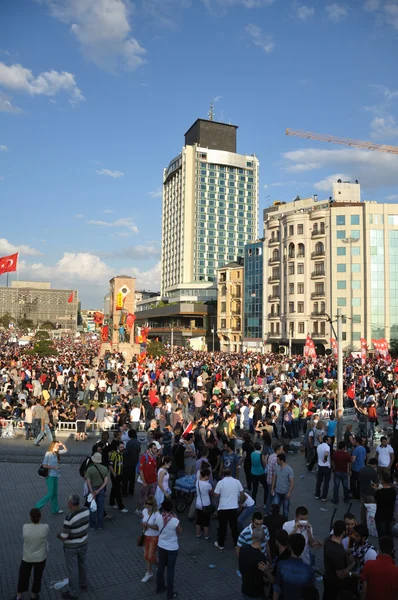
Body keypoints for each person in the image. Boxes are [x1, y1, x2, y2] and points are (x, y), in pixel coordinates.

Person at [57, 493, 90, 600]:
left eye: (68, 501)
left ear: (71, 503)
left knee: (73, 570)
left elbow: (64, 537)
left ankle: (73, 592)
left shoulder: (69, 517)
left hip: (71, 547)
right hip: (84, 543)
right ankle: (83, 584)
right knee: (82, 564)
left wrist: (58, 535)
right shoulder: (86, 511)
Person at [16, 508, 49, 600]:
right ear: (40, 517)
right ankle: (33, 594)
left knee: (23, 575)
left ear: (30, 517)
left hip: (27, 557)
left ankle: (19, 595)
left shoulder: (25, 527)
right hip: (40, 557)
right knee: (37, 576)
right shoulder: (45, 527)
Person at [273, 533, 315, 600]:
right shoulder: (309, 570)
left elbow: (277, 590)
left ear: (290, 547)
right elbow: (311, 593)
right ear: (303, 547)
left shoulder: (281, 565)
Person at [155, 498, 182, 600]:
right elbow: (180, 532)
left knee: (161, 567)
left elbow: (158, 528)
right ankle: (170, 594)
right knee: (170, 570)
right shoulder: (174, 520)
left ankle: (159, 587)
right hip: (172, 548)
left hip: (161, 546)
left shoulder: (158, 517)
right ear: (171, 508)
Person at [214, 468, 245, 550]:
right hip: (233, 508)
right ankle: (236, 543)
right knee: (234, 527)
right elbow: (242, 493)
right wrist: (240, 503)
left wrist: (217, 506)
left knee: (222, 527)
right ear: (231, 473)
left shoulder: (220, 483)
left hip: (223, 508)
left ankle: (221, 544)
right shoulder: (237, 482)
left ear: (223, 474)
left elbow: (216, 495)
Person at [361, 536, 398, 600]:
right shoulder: (396, 571)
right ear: (392, 551)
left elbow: (364, 590)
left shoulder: (369, 564)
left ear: (379, 549)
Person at [35, 441, 67, 515]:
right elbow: (44, 465)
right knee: (50, 493)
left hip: (56, 475)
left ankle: (55, 509)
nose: (58, 447)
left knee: (54, 493)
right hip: (50, 475)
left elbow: (65, 451)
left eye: (58, 446)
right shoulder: (48, 454)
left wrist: (63, 445)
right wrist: (54, 467)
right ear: (52, 446)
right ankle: (37, 506)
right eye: (56, 446)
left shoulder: (56, 453)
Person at [323, 520, 352, 600]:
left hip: (327, 577)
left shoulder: (328, 539)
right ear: (343, 532)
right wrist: (352, 565)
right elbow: (340, 575)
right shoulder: (337, 551)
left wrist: (349, 550)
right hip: (334, 583)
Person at [238, 527, 268, 599]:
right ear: (263, 538)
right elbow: (258, 578)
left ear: (252, 536)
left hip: (245, 588)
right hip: (256, 593)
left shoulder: (243, 548)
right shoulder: (261, 557)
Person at [85, 452, 109, 530]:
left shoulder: (90, 469)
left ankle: (92, 525)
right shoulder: (105, 469)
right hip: (101, 490)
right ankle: (100, 524)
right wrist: (99, 490)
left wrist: (92, 492)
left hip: (92, 489)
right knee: (100, 507)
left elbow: (88, 482)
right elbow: (106, 481)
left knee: (92, 508)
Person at [140, 495, 160, 583]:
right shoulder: (144, 511)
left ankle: (160, 566)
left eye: (150, 504)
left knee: (150, 556)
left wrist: (148, 525)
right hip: (145, 536)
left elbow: (158, 527)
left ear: (153, 504)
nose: (147, 505)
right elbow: (143, 520)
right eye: (146, 503)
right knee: (146, 556)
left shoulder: (157, 514)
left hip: (154, 537)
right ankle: (149, 572)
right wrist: (143, 525)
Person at [136, 442, 159, 516]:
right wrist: (144, 482)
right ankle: (138, 509)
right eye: (154, 449)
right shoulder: (144, 457)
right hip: (146, 482)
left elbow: (155, 469)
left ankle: (147, 510)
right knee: (143, 497)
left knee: (151, 497)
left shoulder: (154, 457)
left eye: (156, 449)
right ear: (150, 449)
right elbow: (141, 470)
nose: (156, 450)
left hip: (153, 482)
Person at [270, 453, 294, 519]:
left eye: (277, 460)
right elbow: (274, 478)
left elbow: (292, 482)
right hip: (277, 492)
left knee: (285, 511)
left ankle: (285, 524)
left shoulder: (289, 469)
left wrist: (289, 492)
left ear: (281, 460)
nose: (276, 461)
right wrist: (272, 488)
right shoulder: (276, 467)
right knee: (275, 509)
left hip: (286, 493)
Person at [374, 471, 397, 538]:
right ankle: (390, 546)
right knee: (389, 533)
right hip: (389, 515)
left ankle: (383, 546)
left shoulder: (379, 492)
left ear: (382, 480)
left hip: (380, 515)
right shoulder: (393, 491)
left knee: (381, 534)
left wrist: (376, 490)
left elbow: (375, 500)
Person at [109, 441, 128, 513]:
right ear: (117, 447)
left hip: (120, 474)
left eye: (123, 447)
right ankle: (121, 506)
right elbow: (110, 465)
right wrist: (114, 474)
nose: (122, 448)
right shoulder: (114, 454)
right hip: (115, 475)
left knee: (114, 488)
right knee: (118, 491)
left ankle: (111, 502)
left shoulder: (122, 454)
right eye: (121, 447)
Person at [359, 458, 379, 525]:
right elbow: (376, 484)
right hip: (370, 493)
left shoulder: (362, 469)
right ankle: (369, 522)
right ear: (374, 464)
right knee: (371, 508)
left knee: (362, 507)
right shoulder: (374, 472)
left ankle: (362, 521)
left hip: (362, 491)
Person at [195, 467, 213, 540]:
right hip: (206, 504)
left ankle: (198, 534)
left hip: (198, 503)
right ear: (205, 476)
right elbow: (212, 492)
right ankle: (206, 535)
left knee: (198, 520)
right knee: (206, 521)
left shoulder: (197, 482)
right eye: (208, 475)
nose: (209, 477)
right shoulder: (208, 485)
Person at [123, 428, 141, 496]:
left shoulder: (129, 443)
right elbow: (139, 450)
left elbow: (126, 452)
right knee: (132, 478)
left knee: (125, 478)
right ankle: (131, 490)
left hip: (127, 462)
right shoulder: (137, 442)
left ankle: (125, 491)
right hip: (134, 461)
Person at [251, 441, 268, 508]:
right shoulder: (261, 455)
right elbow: (264, 464)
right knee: (265, 488)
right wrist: (265, 458)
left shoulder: (252, 453)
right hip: (260, 473)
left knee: (255, 489)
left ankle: (254, 503)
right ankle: (265, 503)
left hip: (253, 472)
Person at [315, 435, 332, 501]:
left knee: (319, 481)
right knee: (326, 482)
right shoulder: (327, 447)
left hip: (320, 465)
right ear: (326, 440)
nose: (330, 441)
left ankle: (317, 494)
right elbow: (327, 453)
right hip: (326, 466)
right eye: (329, 440)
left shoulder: (319, 446)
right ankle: (324, 496)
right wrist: (325, 458)